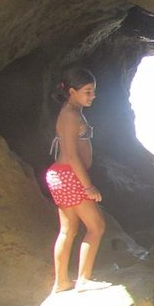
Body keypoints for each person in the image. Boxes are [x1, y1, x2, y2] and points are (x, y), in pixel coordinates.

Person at [46, 67, 109, 293]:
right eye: (88, 91)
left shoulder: (72, 111)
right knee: (97, 226)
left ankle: (62, 282)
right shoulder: (71, 115)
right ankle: (83, 279)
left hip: (61, 175)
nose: (92, 96)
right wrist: (89, 186)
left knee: (68, 230)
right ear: (72, 91)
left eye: (93, 92)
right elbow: (72, 155)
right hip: (69, 175)